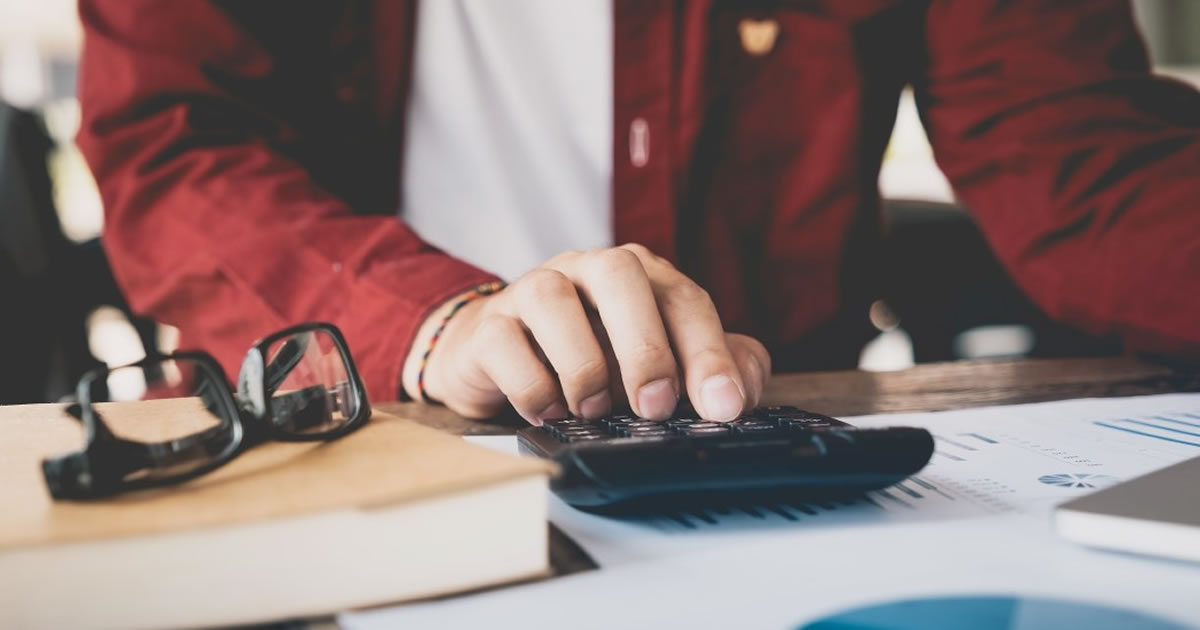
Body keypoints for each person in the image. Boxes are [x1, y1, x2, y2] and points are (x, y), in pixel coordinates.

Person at [76, 1, 1200, 424]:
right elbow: (173, 143)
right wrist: (428, 322)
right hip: (343, 434)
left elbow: (1084, 154)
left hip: (761, 466)